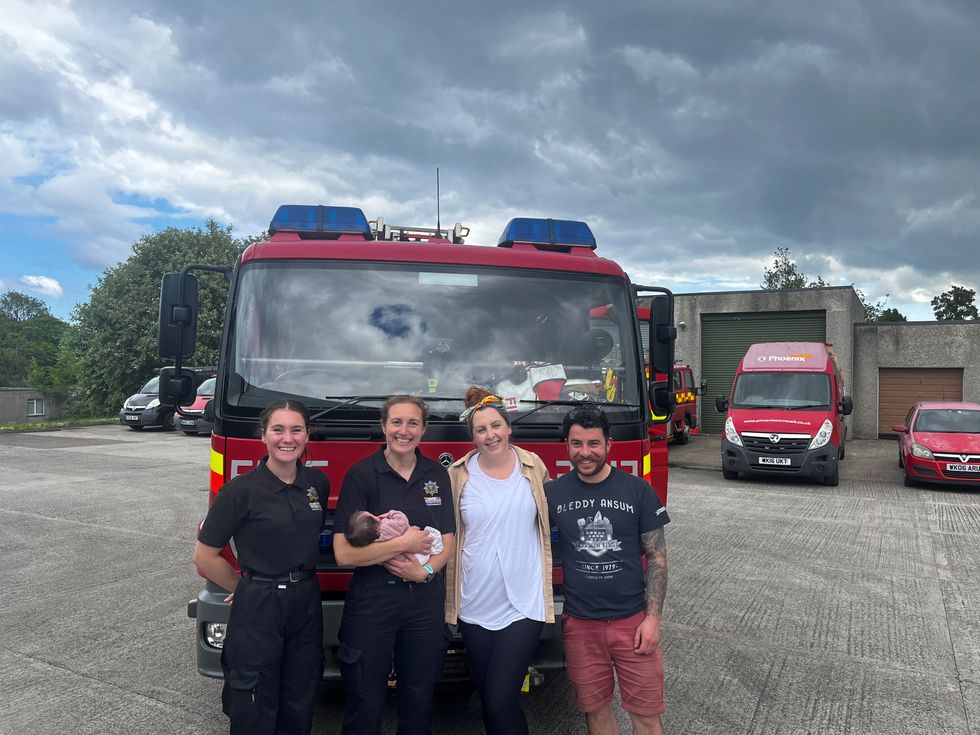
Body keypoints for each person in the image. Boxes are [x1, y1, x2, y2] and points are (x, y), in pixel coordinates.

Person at [192, 400, 327, 735]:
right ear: (263, 436)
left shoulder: (317, 484)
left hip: (306, 601)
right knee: (253, 699)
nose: (287, 438)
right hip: (259, 605)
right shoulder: (240, 490)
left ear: (307, 435)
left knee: (300, 694)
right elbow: (205, 556)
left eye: (296, 429)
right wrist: (246, 589)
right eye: (278, 429)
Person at [332, 395, 455, 735]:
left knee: (419, 701)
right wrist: (404, 544)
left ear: (424, 429)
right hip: (373, 603)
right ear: (383, 426)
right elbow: (344, 554)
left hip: (424, 605)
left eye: (413, 423)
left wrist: (426, 570)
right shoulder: (362, 475)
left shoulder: (437, 475)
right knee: (365, 701)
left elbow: (449, 538)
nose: (404, 430)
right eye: (396, 422)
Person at [547, 406, 669, 735]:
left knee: (646, 713)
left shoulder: (637, 490)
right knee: (596, 710)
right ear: (567, 446)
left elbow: (657, 557)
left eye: (593, 444)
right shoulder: (553, 494)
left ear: (609, 444)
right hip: (580, 626)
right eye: (576, 444)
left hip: (632, 622)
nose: (585, 453)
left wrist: (653, 618)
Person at [444, 386, 554, 735]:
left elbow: (554, 515)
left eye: (496, 426)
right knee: (491, 695)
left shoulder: (533, 466)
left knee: (498, 698)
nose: (490, 435)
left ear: (508, 428)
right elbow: (447, 532)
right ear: (473, 436)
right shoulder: (457, 475)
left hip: (524, 600)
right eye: (481, 429)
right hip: (474, 601)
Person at [344, 509, 444, 564]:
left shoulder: (375, 541)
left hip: (403, 561)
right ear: (375, 519)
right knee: (430, 534)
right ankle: (436, 547)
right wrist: (391, 513)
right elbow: (402, 520)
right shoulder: (387, 526)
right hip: (418, 555)